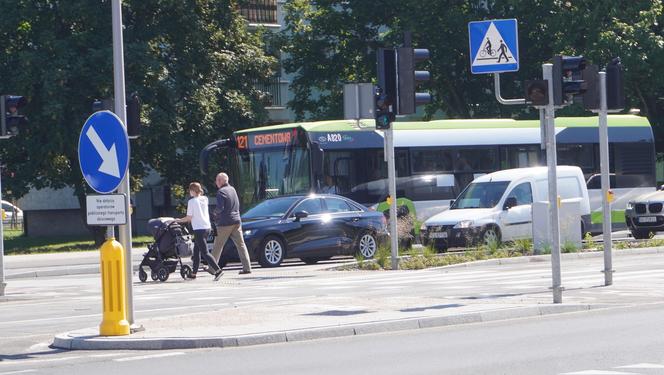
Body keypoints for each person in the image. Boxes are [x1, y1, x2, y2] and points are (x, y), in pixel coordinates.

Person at [176, 182, 223, 281]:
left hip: (199, 229)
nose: (189, 193)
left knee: (205, 252)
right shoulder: (204, 199)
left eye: (190, 190)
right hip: (207, 227)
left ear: (193, 191)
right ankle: (193, 273)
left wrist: (178, 220)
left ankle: (218, 270)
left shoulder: (192, 202)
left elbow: (189, 218)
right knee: (197, 251)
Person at [211, 173, 252, 275]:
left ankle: (212, 268)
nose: (216, 182)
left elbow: (220, 208)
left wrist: (214, 214)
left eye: (217, 180)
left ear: (221, 181)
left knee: (217, 246)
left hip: (225, 223)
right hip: (236, 221)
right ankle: (247, 267)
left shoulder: (221, 192)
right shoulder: (233, 189)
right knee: (241, 245)